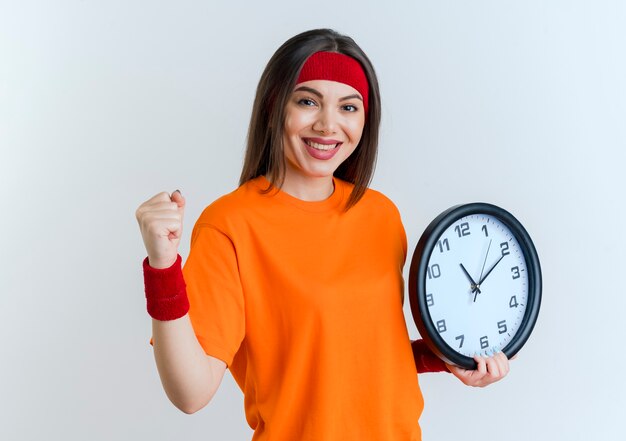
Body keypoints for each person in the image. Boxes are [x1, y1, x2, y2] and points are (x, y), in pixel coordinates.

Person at [135, 28, 510, 440]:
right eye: (308, 101)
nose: (328, 125)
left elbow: (359, 349)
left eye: (348, 107)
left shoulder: (381, 214)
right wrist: (163, 266)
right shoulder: (231, 223)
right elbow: (191, 392)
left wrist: (445, 357)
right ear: (275, 106)